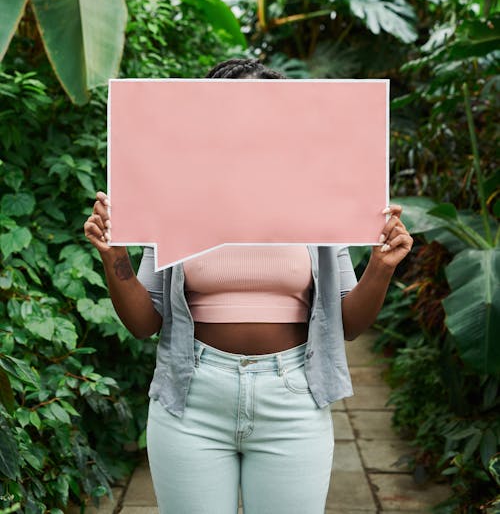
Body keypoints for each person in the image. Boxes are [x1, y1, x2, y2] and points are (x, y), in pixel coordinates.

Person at [84, 57, 413, 514]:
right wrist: (113, 254)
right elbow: (143, 323)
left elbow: (350, 324)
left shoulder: (317, 201)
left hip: (294, 400)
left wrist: (382, 266)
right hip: (192, 400)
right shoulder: (177, 199)